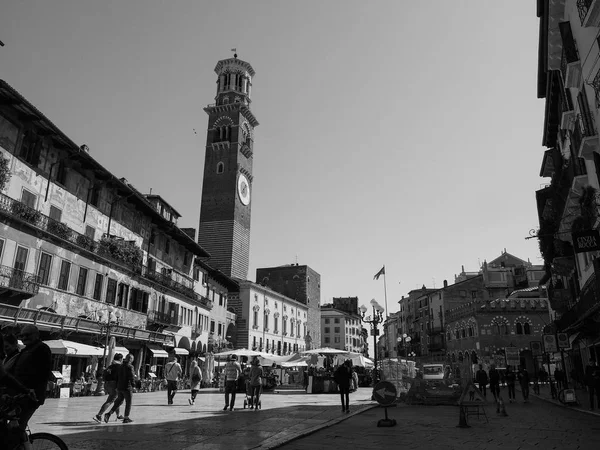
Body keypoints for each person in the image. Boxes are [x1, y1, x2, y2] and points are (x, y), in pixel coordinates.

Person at [6, 324, 52, 433]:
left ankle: (21, 444)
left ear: (36, 335)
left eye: (27, 335)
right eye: (22, 336)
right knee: (12, 425)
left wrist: (29, 390)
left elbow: (43, 373)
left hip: (31, 396)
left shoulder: (42, 348)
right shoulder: (26, 350)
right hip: (19, 394)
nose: (24, 338)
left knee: (18, 427)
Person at [104, 353, 135, 423]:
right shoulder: (130, 367)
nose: (132, 361)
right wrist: (134, 385)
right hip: (127, 387)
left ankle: (108, 414)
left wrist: (117, 386)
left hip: (120, 387)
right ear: (130, 359)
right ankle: (126, 417)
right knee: (128, 402)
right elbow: (132, 377)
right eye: (132, 359)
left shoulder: (120, 366)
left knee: (118, 402)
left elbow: (117, 376)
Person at [93, 353, 124, 422]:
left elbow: (104, 375)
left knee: (116, 400)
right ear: (120, 359)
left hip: (107, 384)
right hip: (114, 385)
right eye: (122, 359)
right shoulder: (120, 367)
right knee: (110, 401)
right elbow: (120, 377)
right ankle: (98, 415)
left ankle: (118, 415)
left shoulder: (110, 366)